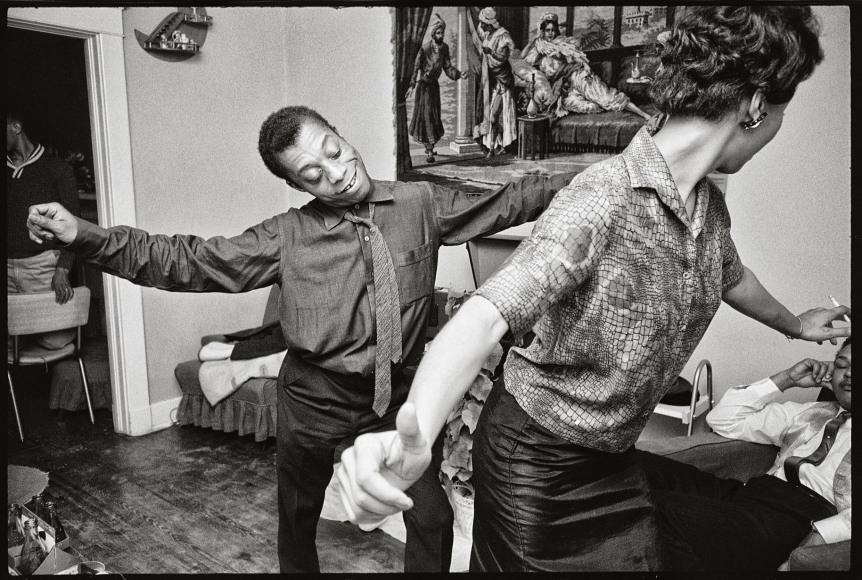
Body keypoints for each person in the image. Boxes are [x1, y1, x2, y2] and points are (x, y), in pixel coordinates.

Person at [335, 6, 850, 572]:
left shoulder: (707, 204)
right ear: (756, 105)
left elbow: (732, 276)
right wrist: (419, 432)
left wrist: (795, 325)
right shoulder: (605, 197)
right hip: (534, 466)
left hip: (608, 458)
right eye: (783, 109)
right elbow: (486, 315)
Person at [24, 105, 576, 573]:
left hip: (399, 399)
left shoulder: (420, 205)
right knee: (298, 517)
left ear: (342, 136)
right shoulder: (285, 236)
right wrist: (86, 236)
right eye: (313, 173)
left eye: (334, 151)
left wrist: (610, 175)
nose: (335, 174)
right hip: (315, 400)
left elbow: (511, 199)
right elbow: (187, 259)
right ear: (297, 185)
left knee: (430, 514)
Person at [640, 338, 851, 571]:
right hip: (748, 494)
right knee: (634, 465)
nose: (849, 373)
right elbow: (723, 419)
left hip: (795, 519)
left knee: (653, 507)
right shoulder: (809, 413)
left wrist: (821, 535)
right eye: (842, 364)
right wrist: (787, 379)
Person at [7, 106, 80, 349]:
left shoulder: (58, 169)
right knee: (12, 345)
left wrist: (63, 269)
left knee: (54, 340)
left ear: (16, 127)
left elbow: (74, 225)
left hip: (43, 267)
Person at [520, 12, 650, 120]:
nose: (551, 33)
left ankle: (643, 114)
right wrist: (533, 40)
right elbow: (522, 56)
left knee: (606, 99)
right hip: (563, 88)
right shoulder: (539, 47)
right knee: (586, 106)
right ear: (543, 31)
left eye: (553, 30)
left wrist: (584, 66)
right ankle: (596, 101)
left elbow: (577, 58)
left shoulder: (563, 43)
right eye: (547, 30)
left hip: (577, 75)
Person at [408, 13, 470, 164]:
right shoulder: (425, 49)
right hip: (424, 88)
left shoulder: (445, 48)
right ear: (433, 33)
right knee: (426, 118)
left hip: (434, 88)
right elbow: (415, 68)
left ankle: (431, 145)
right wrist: (411, 85)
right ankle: (429, 151)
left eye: (442, 32)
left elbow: (448, 67)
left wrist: (459, 74)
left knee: (435, 118)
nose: (441, 35)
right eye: (438, 32)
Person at [472, 7, 517, 158]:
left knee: (496, 116)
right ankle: (493, 146)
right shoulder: (487, 34)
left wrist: (490, 52)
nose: (481, 25)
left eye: (483, 23)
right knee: (491, 115)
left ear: (489, 23)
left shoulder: (502, 35)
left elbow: (503, 57)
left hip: (503, 80)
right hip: (491, 80)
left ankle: (497, 146)